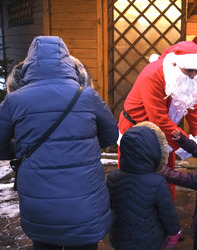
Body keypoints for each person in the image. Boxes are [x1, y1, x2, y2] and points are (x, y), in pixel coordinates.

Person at [0, 36, 119, 249]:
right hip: (86, 202)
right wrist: (85, 144)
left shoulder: (13, 100)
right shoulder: (88, 96)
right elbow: (110, 136)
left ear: (28, 66)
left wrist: (19, 150)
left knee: (45, 243)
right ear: (69, 63)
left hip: (39, 201)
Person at [118, 41, 197, 197]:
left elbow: (196, 110)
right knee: (134, 177)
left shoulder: (191, 78)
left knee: (166, 175)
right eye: (189, 71)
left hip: (166, 130)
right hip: (137, 129)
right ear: (175, 64)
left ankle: (165, 206)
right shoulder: (154, 74)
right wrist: (192, 146)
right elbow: (158, 117)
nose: (194, 75)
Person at [107, 121, 182, 250]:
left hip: (119, 238)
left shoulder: (113, 177)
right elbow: (167, 213)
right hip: (150, 240)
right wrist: (174, 233)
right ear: (154, 151)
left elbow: (107, 207)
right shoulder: (158, 182)